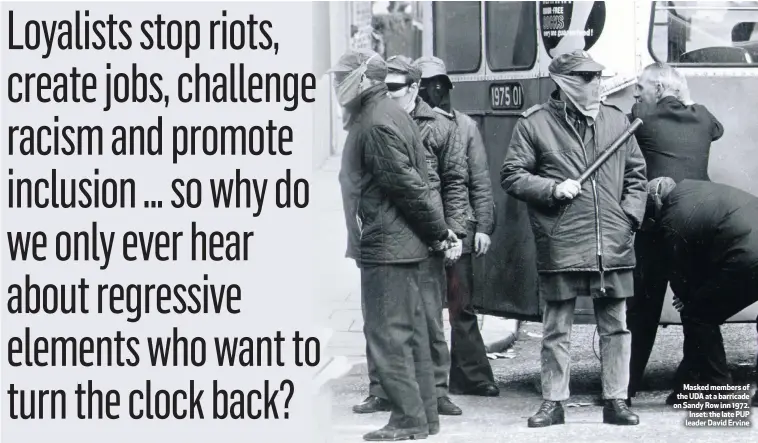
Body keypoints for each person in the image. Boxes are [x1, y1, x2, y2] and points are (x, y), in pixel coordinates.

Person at [500, 50, 647, 427]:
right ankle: (553, 402)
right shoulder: (534, 124)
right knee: (556, 328)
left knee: (615, 326)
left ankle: (616, 399)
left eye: (597, 78)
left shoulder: (617, 121)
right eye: (585, 79)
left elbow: (636, 177)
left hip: (611, 242)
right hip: (562, 240)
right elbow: (512, 175)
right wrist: (551, 188)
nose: (595, 86)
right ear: (563, 84)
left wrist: (628, 218)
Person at [331, 49, 458, 441]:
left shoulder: (373, 122)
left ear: (365, 79)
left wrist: (440, 232)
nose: (336, 85)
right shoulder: (386, 112)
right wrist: (436, 232)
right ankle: (423, 418)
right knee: (411, 333)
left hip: (389, 247)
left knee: (389, 336)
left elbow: (407, 187)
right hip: (400, 244)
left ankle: (408, 420)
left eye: (343, 77)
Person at [625, 62, 725, 402]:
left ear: (656, 89)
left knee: (643, 307)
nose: (636, 92)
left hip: (658, 223)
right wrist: (686, 98)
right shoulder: (703, 115)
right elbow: (717, 130)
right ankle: (694, 382)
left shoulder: (643, 117)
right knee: (695, 305)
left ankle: (625, 385)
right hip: (699, 221)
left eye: (640, 86)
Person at [413, 55, 499, 398]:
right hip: (425, 229)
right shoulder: (414, 125)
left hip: (458, 228)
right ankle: (429, 380)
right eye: (424, 85)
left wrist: (482, 228)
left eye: (436, 84)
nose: (431, 91)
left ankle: (471, 375)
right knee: (427, 307)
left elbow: (479, 180)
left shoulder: (464, 127)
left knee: (461, 304)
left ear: (445, 87)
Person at [641, 177, 758, 406]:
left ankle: (718, 390)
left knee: (698, 317)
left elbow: (681, 272)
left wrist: (686, 297)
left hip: (747, 256)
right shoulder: (695, 189)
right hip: (748, 245)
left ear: (655, 204)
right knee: (701, 311)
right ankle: (686, 388)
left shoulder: (671, 218)